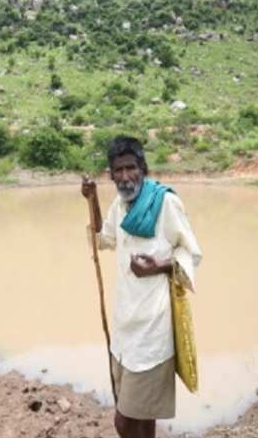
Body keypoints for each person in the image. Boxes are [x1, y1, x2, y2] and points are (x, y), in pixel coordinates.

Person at [81, 135, 202, 438]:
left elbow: (191, 253)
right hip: (124, 331)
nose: (124, 177)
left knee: (124, 423)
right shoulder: (119, 205)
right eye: (118, 170)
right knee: (142, 421)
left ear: (143, 168)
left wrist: (158, 268)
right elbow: (103, 239)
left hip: (152, 333)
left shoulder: (166, 203)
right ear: (111, 175)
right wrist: (92, 200)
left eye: (130, 168)